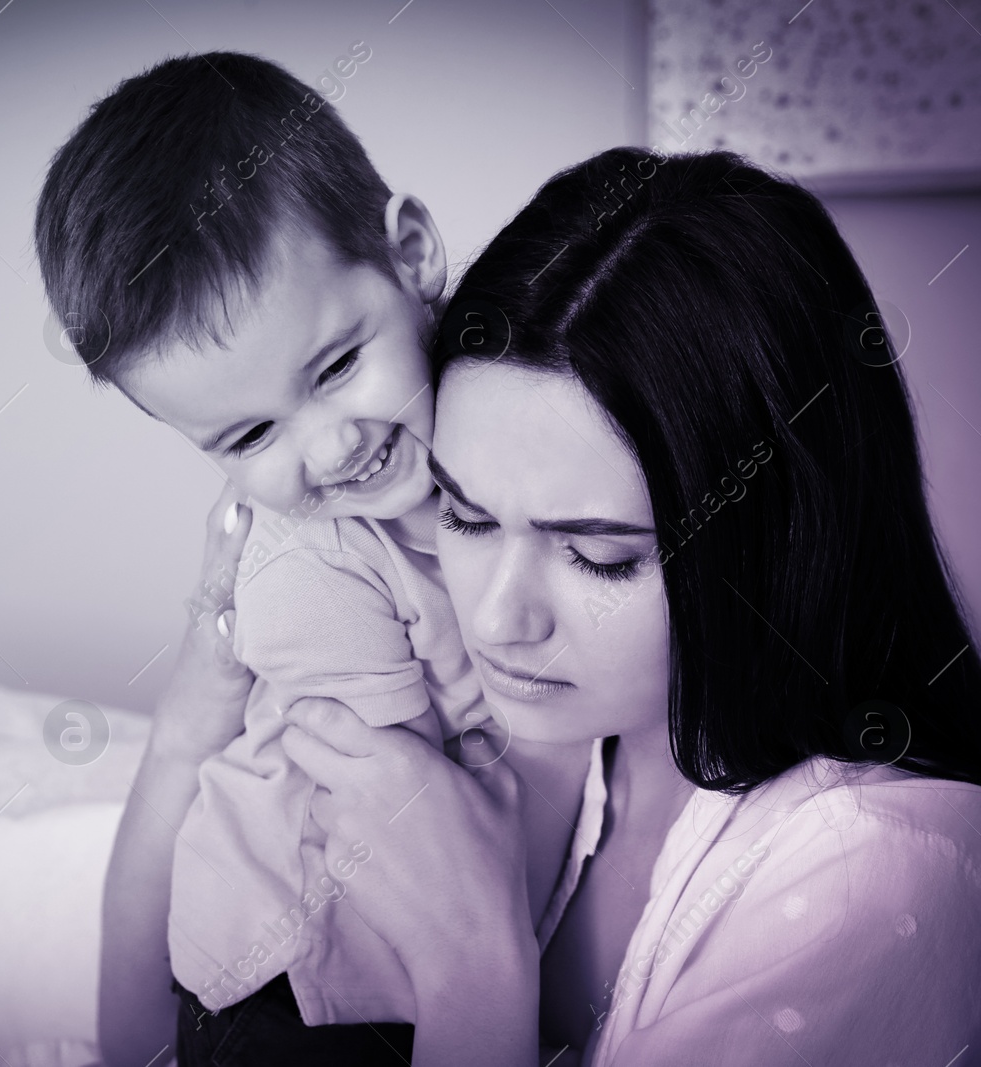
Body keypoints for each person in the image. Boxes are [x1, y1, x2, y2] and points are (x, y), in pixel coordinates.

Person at [274, 148, 981, 1065]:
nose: (497, 621)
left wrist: (471, 961)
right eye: (462, 515)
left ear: (776, 541)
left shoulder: (886, 879)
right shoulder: (564, 750)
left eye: (600, 557)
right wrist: (187, 730)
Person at [32, 52, 588, 1064]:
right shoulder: (303, 566)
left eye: (336, 366)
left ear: (412, 254)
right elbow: (429, 837)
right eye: (248, 438)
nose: (328, 448)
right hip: (292, 989)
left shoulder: (524, 437)